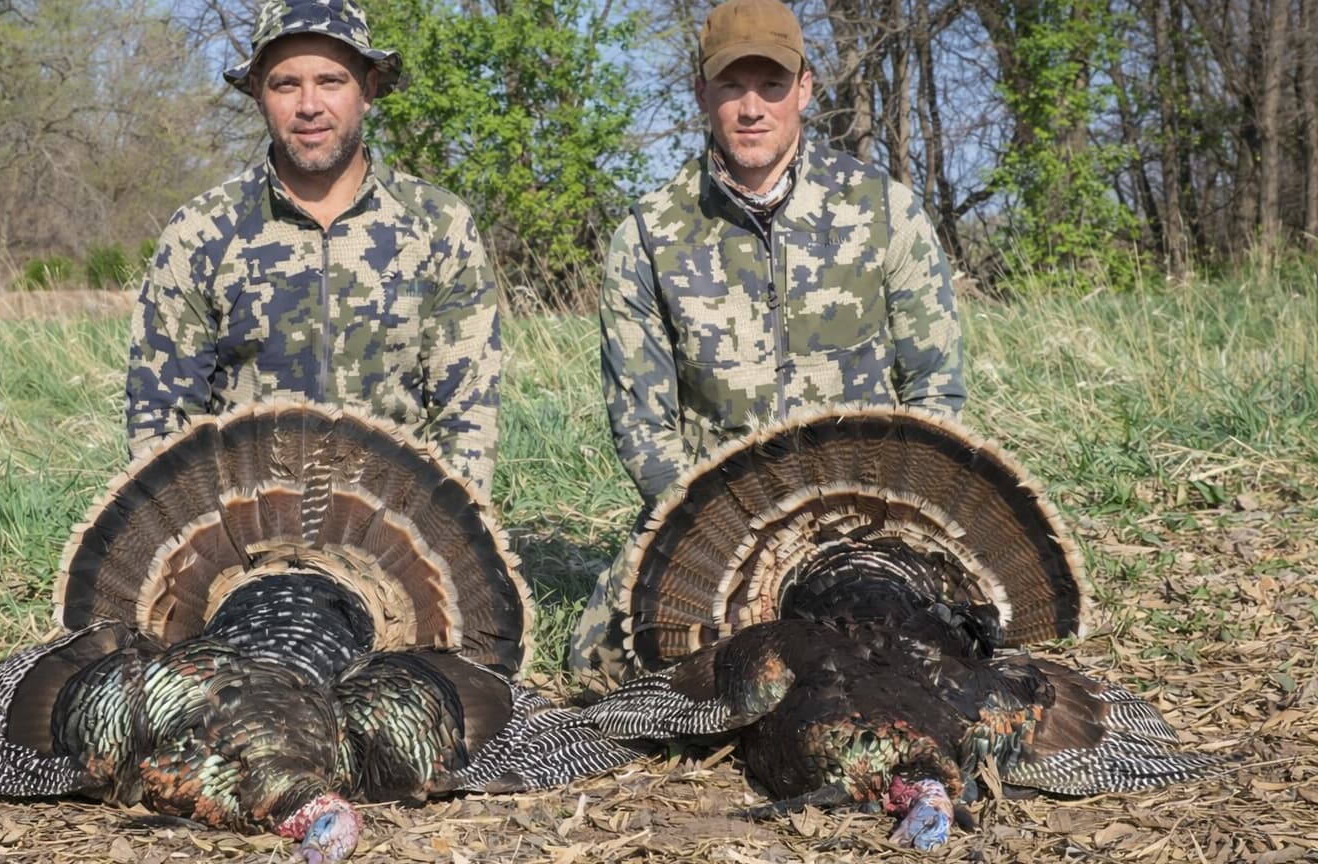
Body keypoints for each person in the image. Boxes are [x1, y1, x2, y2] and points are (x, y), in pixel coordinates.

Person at [570, 0, 966, 683]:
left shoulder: (883, 209)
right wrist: (709, 527)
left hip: (862, 514)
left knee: (956, 654)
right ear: (702, 92)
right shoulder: (649, 234)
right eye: (731, 85)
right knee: (598, 670)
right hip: (717, 523)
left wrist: (897, 518)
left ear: (805, 89)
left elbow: (935, 388)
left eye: (772, 85)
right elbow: (641, 424)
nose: (752, 107)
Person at [125, 0, 502, 495]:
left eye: (330, 81)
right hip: (243, 530)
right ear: (259, 93)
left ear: (366, 90)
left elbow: (466, 413)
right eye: (286, 84)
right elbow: (162, 415)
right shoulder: (202, 230)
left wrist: (450, 534)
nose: (308, 106)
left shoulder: (438, 224)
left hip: (397, 534)